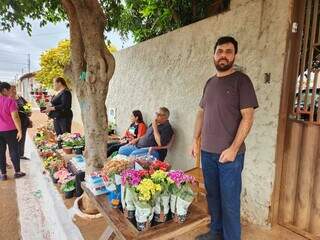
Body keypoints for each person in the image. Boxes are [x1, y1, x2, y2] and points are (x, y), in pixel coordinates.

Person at [192, 36, 258, 240]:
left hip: (230, 156)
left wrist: (233, 149)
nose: (224, 55)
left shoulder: (242, 80)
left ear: (234, 55)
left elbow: (248, 117)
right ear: (214, 55)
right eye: (220, 51)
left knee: (229, 203)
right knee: (213, 198)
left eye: (228, 51)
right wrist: (195, 139)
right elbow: (201, 113)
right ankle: (215, 233)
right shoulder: (210, 83)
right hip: (208, 153)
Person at [0, 82, 26, 180]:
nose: (10, 91)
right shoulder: (10, 101)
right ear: (4, 90)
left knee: (0, 153)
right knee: (14, 151)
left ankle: (3, 174)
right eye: (9, 89)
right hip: (10, 130)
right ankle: (17, 172)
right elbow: (15, 116)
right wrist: (20, 130)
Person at [10, 85, 32, 160]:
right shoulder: (9, 99)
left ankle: (21, 154)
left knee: (22, 138)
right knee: (15, 139)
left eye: (15, 89)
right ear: (8, 91)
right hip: (15, 123)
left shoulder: (19, 97)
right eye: (12, 89)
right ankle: (15, 155)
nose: (14, 91)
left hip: (24, 121)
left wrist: (29, 111)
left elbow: (27, 104)